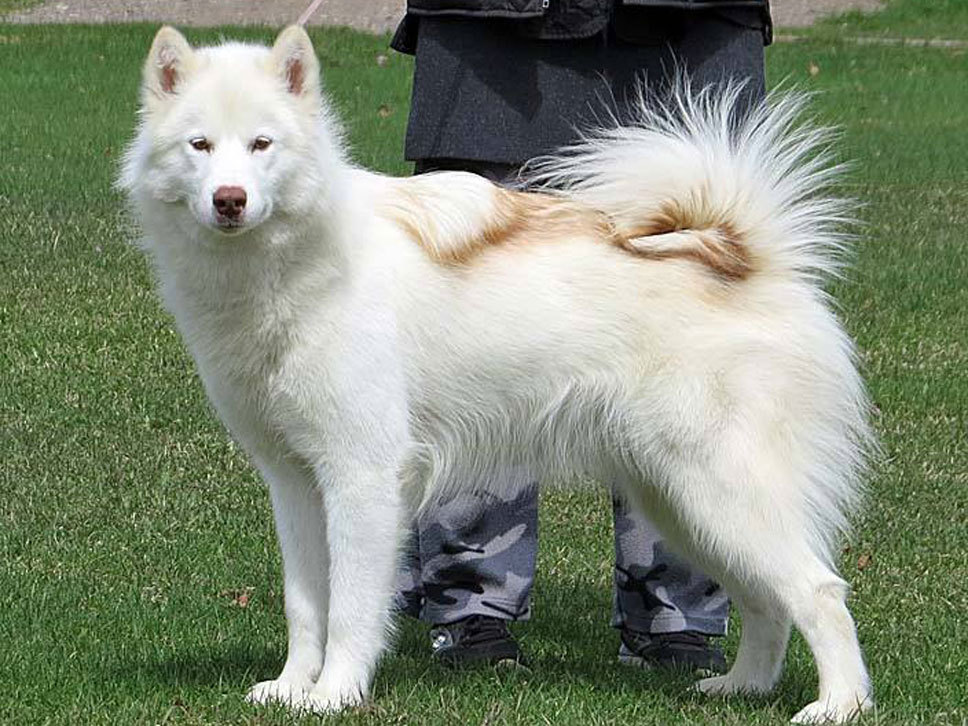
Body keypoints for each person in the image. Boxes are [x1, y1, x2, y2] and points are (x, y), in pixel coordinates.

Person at [390, 0, 772, 671]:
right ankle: (472, 605)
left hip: (691, 30)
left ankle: (679, 610)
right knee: (481, 333)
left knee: (687, 316)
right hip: (493, 45)